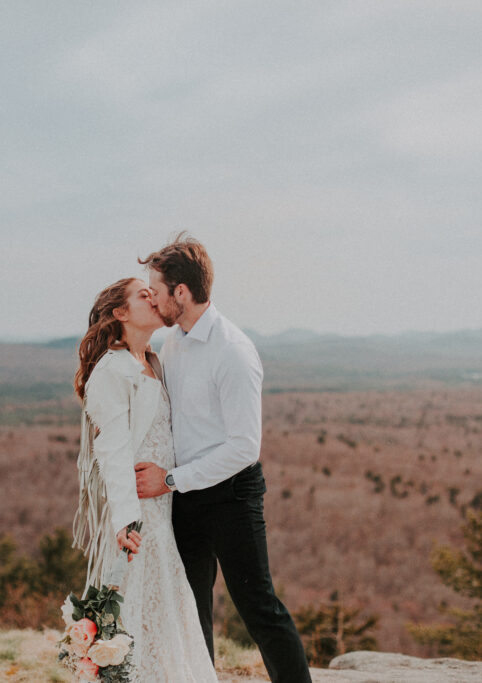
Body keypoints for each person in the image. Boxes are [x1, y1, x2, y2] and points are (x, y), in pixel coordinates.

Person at [135, 234, 312, 683]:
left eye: (157, 290)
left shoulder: (233, 351)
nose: (151, 299)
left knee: (258, 608)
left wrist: (170, 480)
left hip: (231, 496)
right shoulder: (171, 343)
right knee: (192, 612)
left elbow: (243, 447)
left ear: (181, 292)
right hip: (185, 497)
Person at [72, 277, 218, 682]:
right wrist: (124, 519)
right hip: (137, 517)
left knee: (165, 614)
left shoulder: (151, 361)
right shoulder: (112, 370)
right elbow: (112, 450)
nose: (153, 297)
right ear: (121, 314)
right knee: (137, 615)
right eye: (142, 294)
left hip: (164, 506)